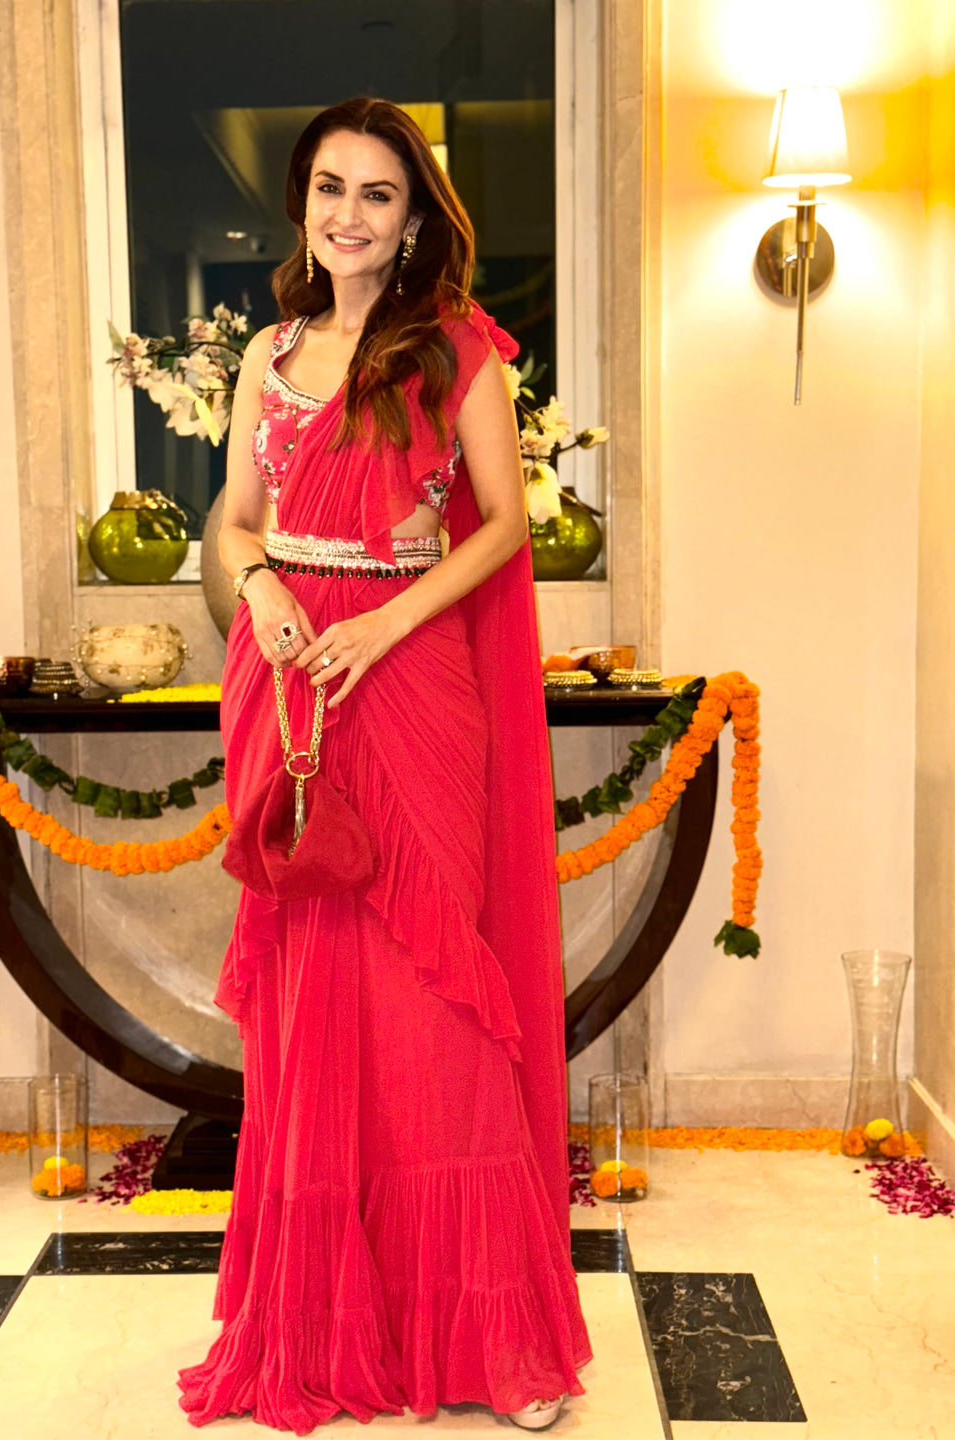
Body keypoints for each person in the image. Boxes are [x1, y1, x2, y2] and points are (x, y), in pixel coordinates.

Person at [177, 96, 593, 1434]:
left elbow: (504, 529)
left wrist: (389, 622)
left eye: (377, 194)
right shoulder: (270, 355)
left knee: (437, 1005)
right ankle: (317, 1329)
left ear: (417, 220)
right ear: (302, 206)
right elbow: (234, 522)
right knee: (315, 1015)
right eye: (329, 189)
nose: (349, 215)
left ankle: (491, 1342)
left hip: (410, 682)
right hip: (292, 682)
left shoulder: (456, 350)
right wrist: (263, 597)